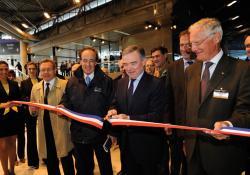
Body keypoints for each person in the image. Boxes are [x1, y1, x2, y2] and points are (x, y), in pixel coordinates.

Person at [185, 18, 250, 175]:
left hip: (223, 156)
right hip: (193, 153)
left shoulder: (242, 70)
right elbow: (189, 108)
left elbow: (246, 112)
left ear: (216, 38)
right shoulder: (191, 71)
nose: (193, 48)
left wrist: (229, 124)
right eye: (191, 43)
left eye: (198, 43)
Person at [106, 45, 167, 175]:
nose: (129, 68)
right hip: (125, 146)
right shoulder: (121, 83)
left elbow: (156, 117)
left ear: (144, 61)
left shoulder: (157, 84)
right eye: (125, 64)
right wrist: (113, 110)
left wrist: (128, 119)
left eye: (133, 63)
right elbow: (115, 102)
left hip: (148, 148)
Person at [60, 47, 113, 175]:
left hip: (101, 134)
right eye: (84, 60)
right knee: (83, 169)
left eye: (91, 60)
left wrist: (112, 132)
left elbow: (113, 105)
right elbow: (66, 99)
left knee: (105, 167)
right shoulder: (72, 81)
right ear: (80, 61)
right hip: (79, 134)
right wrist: (62, 105)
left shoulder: (106, 81)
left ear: (96, 62)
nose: (88, 64)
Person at [30, 59, 74, 175]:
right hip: (45, 129)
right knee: (50, 160)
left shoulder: (65, 85)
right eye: (43, 70)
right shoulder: (36, 88)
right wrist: (33, 111)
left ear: (55, 70)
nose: (46, 72)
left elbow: (73, 106)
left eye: (49, 69)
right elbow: (33, 108)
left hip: (62, 128)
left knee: (66, 158)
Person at [167, 30, 195, 175]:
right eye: (182, 44)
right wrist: (167, 122)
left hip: (196, 128)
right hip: (176, 127)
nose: (184, 48)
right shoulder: (172, 68)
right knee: (175, 162)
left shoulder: (204, 65)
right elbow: (168, 98)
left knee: (190, 164)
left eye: (188, 44)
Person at [0, 60, 21, 175]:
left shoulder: (14, 84)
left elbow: (18, 99)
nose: (4, 71)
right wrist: (3, 105)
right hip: (0, 119)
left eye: (5, 69)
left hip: (13, 117)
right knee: (2, 147)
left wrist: (18, 103)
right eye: (1, 69)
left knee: (13, 144)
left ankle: (12, 170)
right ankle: (5, 172)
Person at [20, 62, 40, 169]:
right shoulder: (24, 83)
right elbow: (22, 97)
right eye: (30, 69)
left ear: (37, 69)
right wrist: (31, 102)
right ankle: (33, 160)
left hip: (42, 112)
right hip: (30, 112)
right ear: (27, 70)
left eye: (33, 68)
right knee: (31, 137)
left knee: (45, 134)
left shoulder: (42, 81)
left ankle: (46, 157)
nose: (32, 70)